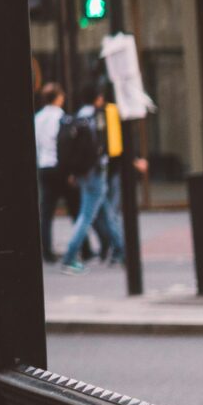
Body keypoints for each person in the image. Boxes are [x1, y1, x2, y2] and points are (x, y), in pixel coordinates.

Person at [59, 91, 125, 273]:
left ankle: (120, 249)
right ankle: (69, 256)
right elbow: (105, 146)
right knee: (86, 216)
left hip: (83, 173)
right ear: (98, 98)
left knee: (106, 210)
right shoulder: (97, 116)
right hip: (96, 172)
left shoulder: (78, 116)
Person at [34, 85, 68, 262]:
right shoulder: (61, 117)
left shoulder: (37, 118)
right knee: (75, 207)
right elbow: (64, 143)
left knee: (46, 212)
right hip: (59, 165)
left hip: (44, 166)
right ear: (57, 98)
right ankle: (84, 247)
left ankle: (46, 250)